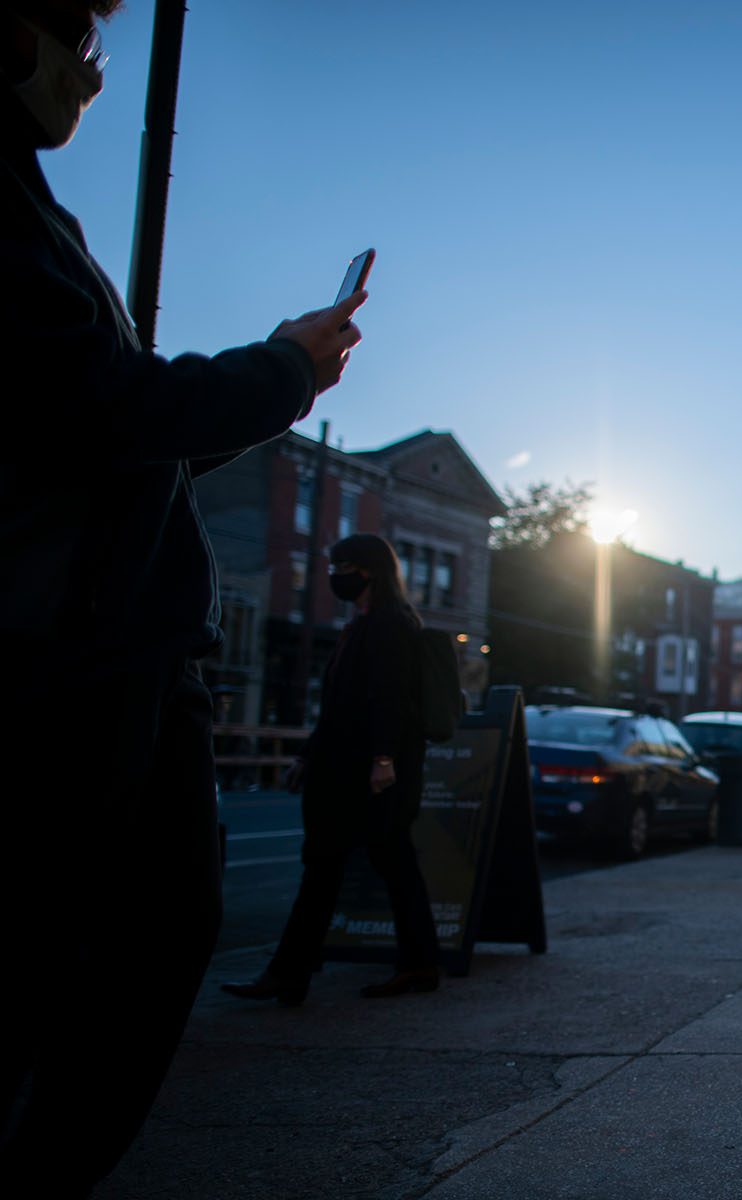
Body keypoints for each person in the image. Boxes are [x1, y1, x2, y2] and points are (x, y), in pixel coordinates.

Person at [0, 0, 367, 1189]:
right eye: (85, 42)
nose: (96, 80)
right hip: (75, 658)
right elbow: (111, 408)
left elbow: (105, 432)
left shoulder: (27, 206)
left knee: (140, 939)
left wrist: (273, 376)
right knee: (112, 944)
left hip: (113, 652)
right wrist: (281, 372)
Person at [223, 534, 441, 1005]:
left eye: (343, 566)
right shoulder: (360, 625)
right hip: (342, 767)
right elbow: (339, 706)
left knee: (366, 866)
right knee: (340, 866)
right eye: (332, 565)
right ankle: (297, 971)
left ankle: (303, 971)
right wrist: (307, 755)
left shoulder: (389, 624)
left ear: (369, 571)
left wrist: (383, 759)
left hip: (366, 772)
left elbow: (390, 698)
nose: (334, 575)